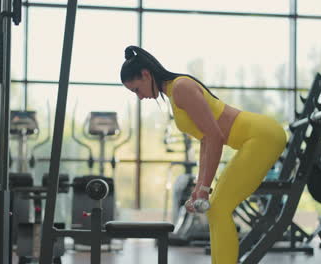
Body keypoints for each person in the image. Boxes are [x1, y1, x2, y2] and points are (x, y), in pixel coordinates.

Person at [120, 45, 286, 264]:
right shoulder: (174, 94)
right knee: (216, 210)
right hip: (254, 139)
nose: (140, 97)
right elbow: (206, 141)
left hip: (263, 136)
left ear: (145, 74)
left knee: (219, 208)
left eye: (136, 90)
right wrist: (199, 188)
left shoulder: (181, 87)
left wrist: (205, 188)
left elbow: (215, 137)